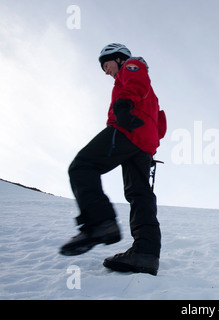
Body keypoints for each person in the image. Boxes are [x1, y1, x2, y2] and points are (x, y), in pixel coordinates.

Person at [60, 43, 167, 276]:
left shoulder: (131, 66)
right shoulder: (152, 93)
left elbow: (136, 85)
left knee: (82, 166)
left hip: (127, 129)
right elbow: (160, 123)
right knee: (139, 194)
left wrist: (122, 106)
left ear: (117, 58)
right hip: (143, 144)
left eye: (105, 64)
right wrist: (150, 150)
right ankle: (146, 253)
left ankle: (100, 223)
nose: (105, 71)